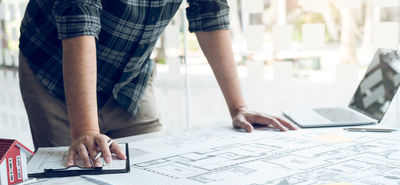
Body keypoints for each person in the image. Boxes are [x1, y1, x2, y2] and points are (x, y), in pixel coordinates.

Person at [19, 0, 297, 168]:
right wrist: (86, 130)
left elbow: (210, 13)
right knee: (75, 175)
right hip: (54, 72)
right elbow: (79, 18)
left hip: (130, 78)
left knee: (150, 165)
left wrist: (238, 106)